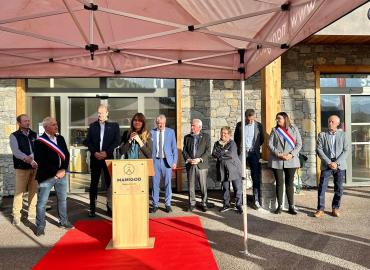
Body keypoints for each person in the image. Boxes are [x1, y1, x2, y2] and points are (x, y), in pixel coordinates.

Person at [34, 117, 72, 236]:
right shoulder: (39, 141)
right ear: (46, 127)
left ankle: (63, 221)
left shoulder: (60, 138)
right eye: (53, 125)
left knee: (62, 200)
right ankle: (40, 226)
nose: (56, 126)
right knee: (42, 203)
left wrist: (63, 169)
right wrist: (56, 172)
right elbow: (41, 160)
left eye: (56, 124)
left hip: (61, 175)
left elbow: (66, 154)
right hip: (46, 177)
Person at [85, 104, 120, 217]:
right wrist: (95, 152)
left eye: (102, 112)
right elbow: (87, 141)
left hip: (108, 158)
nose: (100, 115)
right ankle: (92, 208)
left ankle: (110, 207)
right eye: (99, 113)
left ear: (107, 113)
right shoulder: (92, 126)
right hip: (95, 158)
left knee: (110, 184)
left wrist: (106, 152)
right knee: (94, 183)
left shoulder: (114, 126)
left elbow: (117, 141)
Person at [268, 112, 302, 215]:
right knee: (279, 183)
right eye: (277, 118)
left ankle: (291, 206)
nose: (277, 120)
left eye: (279, 118)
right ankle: (280, 206)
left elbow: (299, 144)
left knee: (289, 184)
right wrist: (278, 154)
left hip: (290, 160)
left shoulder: (294, 129)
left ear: (285, 119)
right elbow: (270, 144)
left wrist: (291, 155)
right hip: (277, 160)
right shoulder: (274, 130)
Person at [315, 115, 348, 218]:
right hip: (326, 164)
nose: (330, 123)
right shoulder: (322, 135)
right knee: (322, 188)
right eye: (329, 121)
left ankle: (335, 208)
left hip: (339, 165)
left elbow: (346, 150)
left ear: (337, 124)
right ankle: (320, 209)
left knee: (339, 188)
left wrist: (336, 163)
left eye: (332, 122)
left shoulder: (343, 135)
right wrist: (329, 162)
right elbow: (319, 149)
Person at [9, 114, 38, 225]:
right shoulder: (14, 136)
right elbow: (16, 152)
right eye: (25, 121)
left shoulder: (34, 135)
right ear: (19, 123)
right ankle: (16, 215)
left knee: (33, 191)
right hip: (21, 168)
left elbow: (38, 149)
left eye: (28, 120)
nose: (27, 122)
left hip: (35, 168)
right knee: (19, 193)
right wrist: (29, 159)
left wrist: (34, 159)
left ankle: (32, 213)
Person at [234, 109, 264, 210]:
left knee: (255, 176)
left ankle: (256, 200)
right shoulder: (239, 125)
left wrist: (254, 148)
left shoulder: (259, 125)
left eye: (252, 119)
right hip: (242, 152)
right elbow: (236, 139)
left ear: (254, 117)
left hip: (254, 153)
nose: (250, 121)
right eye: (248, 120)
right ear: (245, 117)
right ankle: (239, 200)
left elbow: (262, 139)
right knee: (239, 175)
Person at [150, 114, 178, 213]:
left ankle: (167, 204)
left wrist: (174, 161)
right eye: (158, 123)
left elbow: (174, 148)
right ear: (156, 123)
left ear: (165, 123)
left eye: (162, 123)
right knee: (155, 184)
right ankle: (155, 204)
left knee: (168, 183)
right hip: (155, 161)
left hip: (167, 161)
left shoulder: (170, 132)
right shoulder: (152, 132)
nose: (160, 125)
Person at [212, 127, 243, 214]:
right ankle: (226, 204)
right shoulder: (216, 144)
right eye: (222, 133)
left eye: (225, 133)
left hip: (234, 168)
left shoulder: (232, 143)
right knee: (225, 188)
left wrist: (220, 153)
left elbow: (231, 155)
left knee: (237, 188)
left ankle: (238, 205)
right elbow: (214, 154)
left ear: (229, 134)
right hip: (222, 169)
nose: (223, 135)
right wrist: (224, 151)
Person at [182, 119, 210, 212]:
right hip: (191, 164)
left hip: (201, 165)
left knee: (203, 185)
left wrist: (199, 159)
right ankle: (192, 203)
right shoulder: (187, 137)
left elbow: (208, 151)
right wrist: (188, 159)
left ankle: (204, 203)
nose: (191, 127)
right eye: (191, 125)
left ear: (199, 127)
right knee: (191, 185)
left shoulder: (206, 137)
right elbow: (184, 151)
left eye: (193, 125)